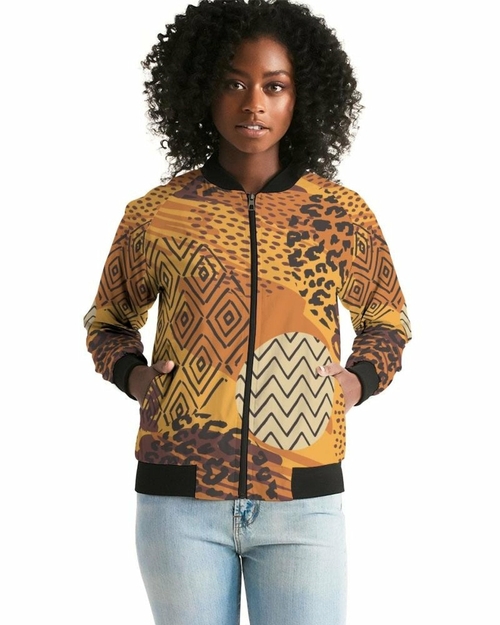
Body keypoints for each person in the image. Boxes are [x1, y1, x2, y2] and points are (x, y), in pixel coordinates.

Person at [84, 0, 411, 623]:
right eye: (234, 83)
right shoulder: (158, 213)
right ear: (201, 91)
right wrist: (137, 378)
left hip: (303, 496)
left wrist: (355, 382)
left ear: (300, 98)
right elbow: (108, 321)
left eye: (274, 86)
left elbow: (387, 319)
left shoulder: (339, 213)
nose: (253, 103)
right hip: (179, 497)